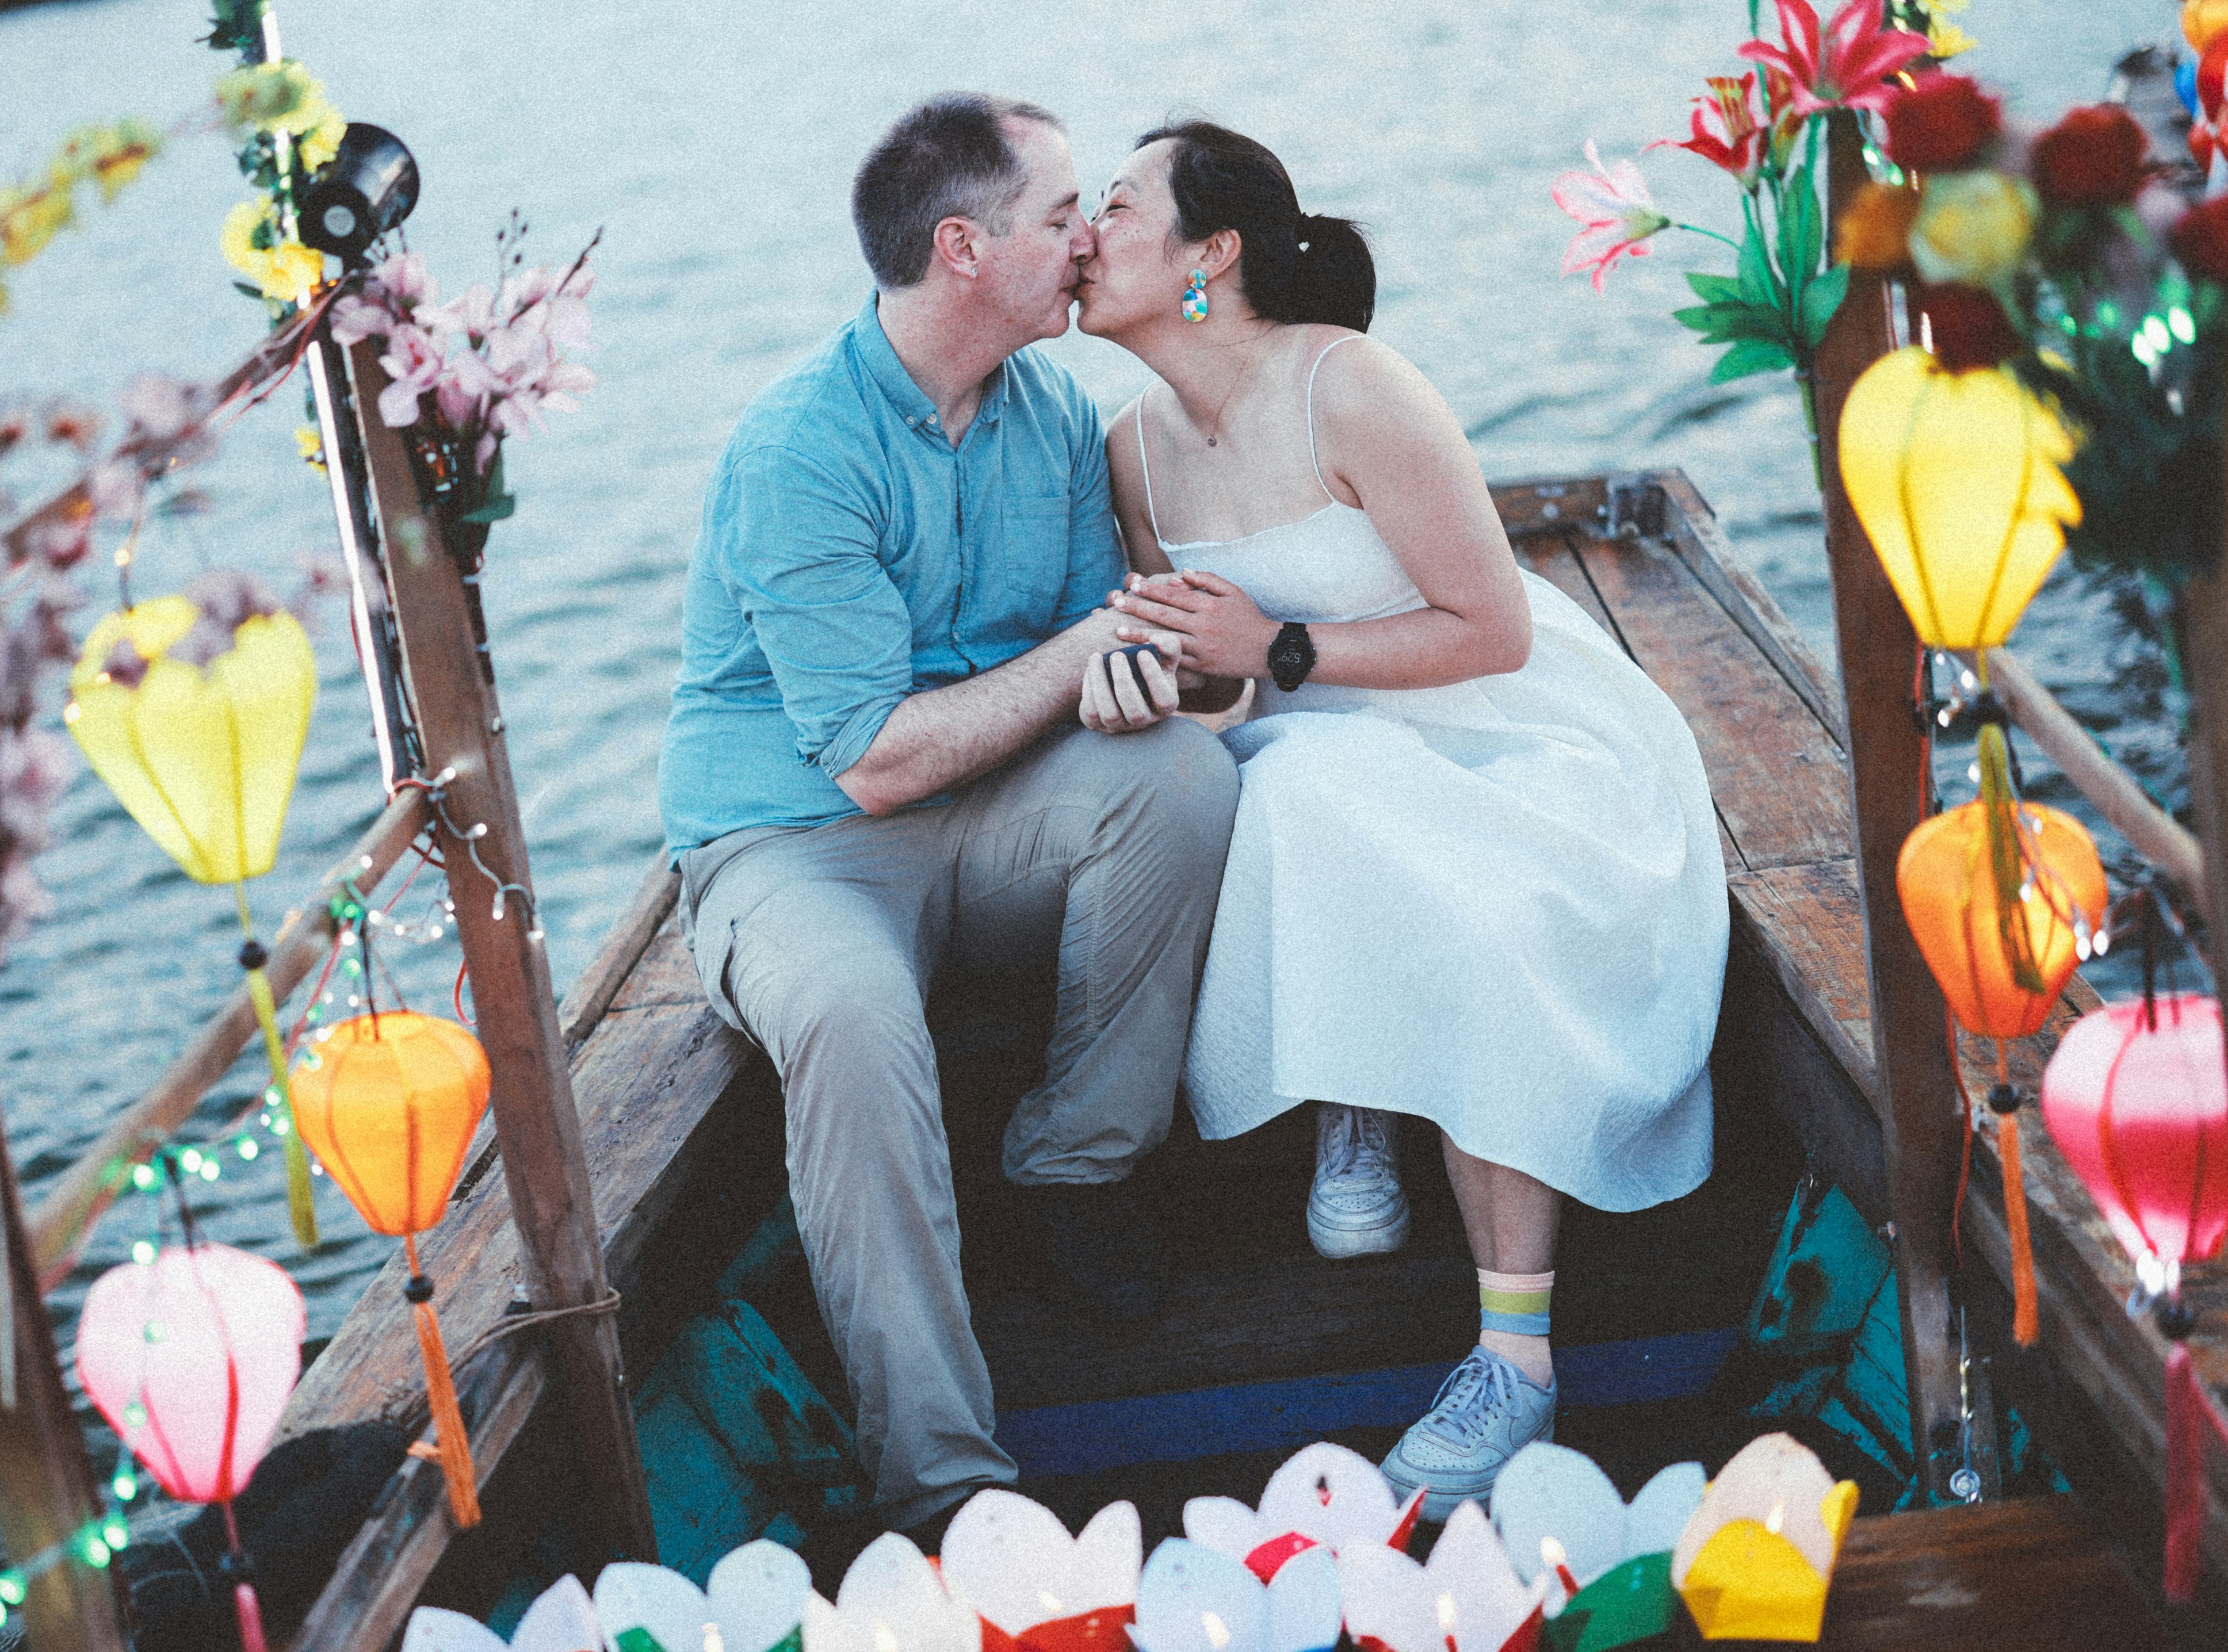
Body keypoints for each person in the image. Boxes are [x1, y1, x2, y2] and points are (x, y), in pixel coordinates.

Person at [1079, 123, 1730, 1508]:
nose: (1085, 230)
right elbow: (1214, 674)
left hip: (1502, 732)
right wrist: (1159, 683)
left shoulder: (1351, 390)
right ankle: (1356, 1085)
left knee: (1445, 875)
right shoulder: (1128, 451)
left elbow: (1490, 631)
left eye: (1116, 206)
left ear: (1211, 255)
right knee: (1284, 784)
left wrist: (1281, 650)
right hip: (1299, 758)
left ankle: (1514, 1363)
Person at [656, 94, 1240, 1538]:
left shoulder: (1057, 417)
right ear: (964, 248)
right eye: (1062, 215)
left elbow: (1109, 652)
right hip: (789, 848)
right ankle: (945, 1483)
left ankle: (1074, 1164)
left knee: (1179, 780)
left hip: (992, 813)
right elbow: (869, 762)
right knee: (850, 1016)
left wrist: (1132, 675)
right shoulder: (802, 448)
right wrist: (1078, 657)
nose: (1089, 238)